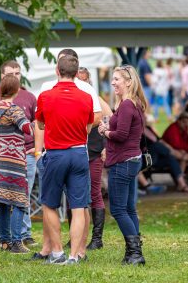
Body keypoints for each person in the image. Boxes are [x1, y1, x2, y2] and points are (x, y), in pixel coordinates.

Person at [31, 49, 101, 262]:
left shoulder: (45, 95)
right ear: (76, 72)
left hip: (56, 153)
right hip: (80, 152)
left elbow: (40, 124)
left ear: (57, 71)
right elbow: (90, 125)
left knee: (49, 204)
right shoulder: (87, 95)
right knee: (78, 206)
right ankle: (74, 256)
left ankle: (58, 252)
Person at [0, 60, 38, 247]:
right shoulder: (14, 110)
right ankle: (15, 240)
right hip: (15, 160)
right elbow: (28, 127)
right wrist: (41, 123)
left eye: (17, 73)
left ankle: (4, 239)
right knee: (20, 200)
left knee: (1, 200)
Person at [97, 64, 146, 265]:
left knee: (118, 210)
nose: (113, 82)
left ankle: (135, 253)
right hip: (132, 160)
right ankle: (134, 252)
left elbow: (122, 135)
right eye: (113, 79)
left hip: (123, 162)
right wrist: (111, 126)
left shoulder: (126, 105)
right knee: (129, 208)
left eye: (117, 79)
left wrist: (105, 132)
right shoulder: (134, 103)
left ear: (129, 82)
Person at [76, 67, 112, 250]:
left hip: (94, 151)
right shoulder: (71, 96)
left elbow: (109, 117)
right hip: (75, 150)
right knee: (74, 194)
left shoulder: (95, 99)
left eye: (84, 80)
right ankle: (76, 237)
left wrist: (106, 146)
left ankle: (97, 238)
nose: (81, 83)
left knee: (94, 192)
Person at [143, 124, 188, 192]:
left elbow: (160, 141)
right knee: (156, 146)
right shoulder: (135, 129)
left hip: (156, 157)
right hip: (145, 158)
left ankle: (182, 184)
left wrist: (172, 150)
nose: (144, 118)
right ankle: (179, 156)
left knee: (170, 158)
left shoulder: (148, 128)